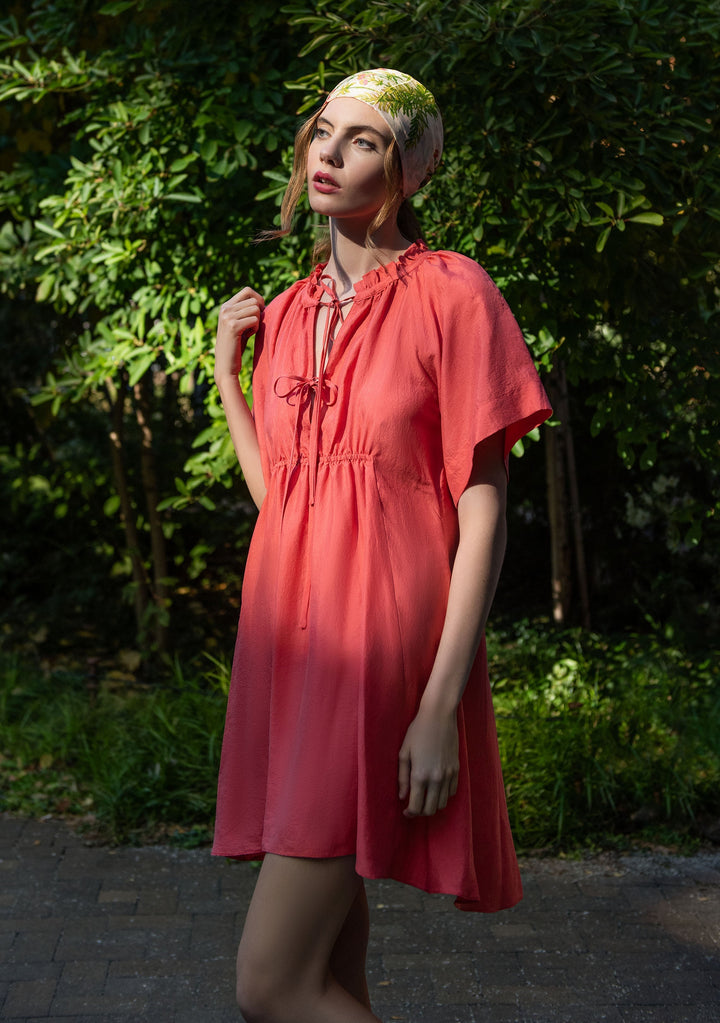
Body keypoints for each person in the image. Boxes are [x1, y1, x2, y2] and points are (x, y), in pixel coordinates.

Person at [212, 68, 551, 1023]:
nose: (329, 151)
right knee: (329, 976)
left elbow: (481, 505)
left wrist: (440, 702)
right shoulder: (282, 315)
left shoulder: (453, 292)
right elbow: (286, 496)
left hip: (382, 645)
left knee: (269, 984)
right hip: (292, 639)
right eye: (323, 131)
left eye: (362, 140)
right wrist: (232, 384)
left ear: (410, 170)